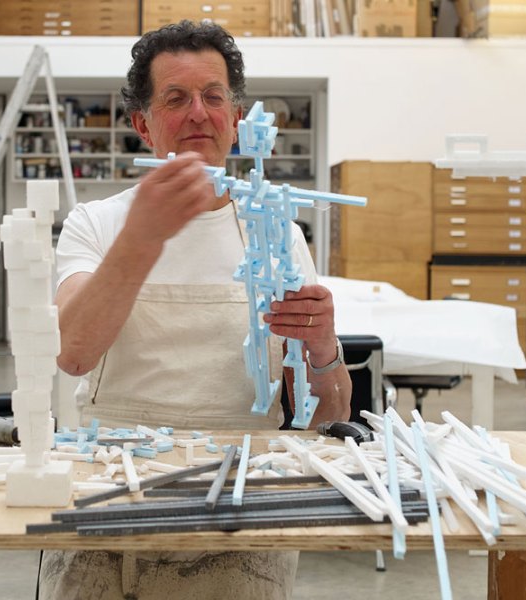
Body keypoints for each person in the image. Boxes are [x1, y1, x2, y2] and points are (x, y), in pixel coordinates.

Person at [42, 20, 352, 600]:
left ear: (237, 120)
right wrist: (142, 237)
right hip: (113, 492)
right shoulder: (98, 224)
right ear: (143, 124)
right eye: (176, 99)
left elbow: (326, 416)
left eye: (214, 97)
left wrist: (324, 347)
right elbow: (73, 353)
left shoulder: (276, 234)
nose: (198, 115)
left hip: (243, 505)